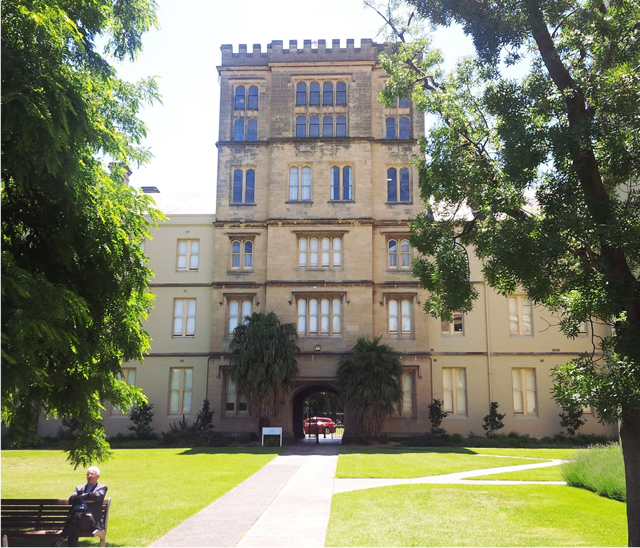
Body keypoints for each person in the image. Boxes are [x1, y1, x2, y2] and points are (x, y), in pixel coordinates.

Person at [53, 466, 107, 547]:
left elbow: (96, 496)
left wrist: (81, 497)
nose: (89, 476)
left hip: (90, 521)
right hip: (77, 520)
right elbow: (71, 499)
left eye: (92, 474)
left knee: (77, 517)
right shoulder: (79, 487)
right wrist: (86, 497)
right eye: (88, 474)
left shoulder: (102, 488)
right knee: (76, 522)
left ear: (98, 476)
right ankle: (61, 540)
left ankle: (62, 538)